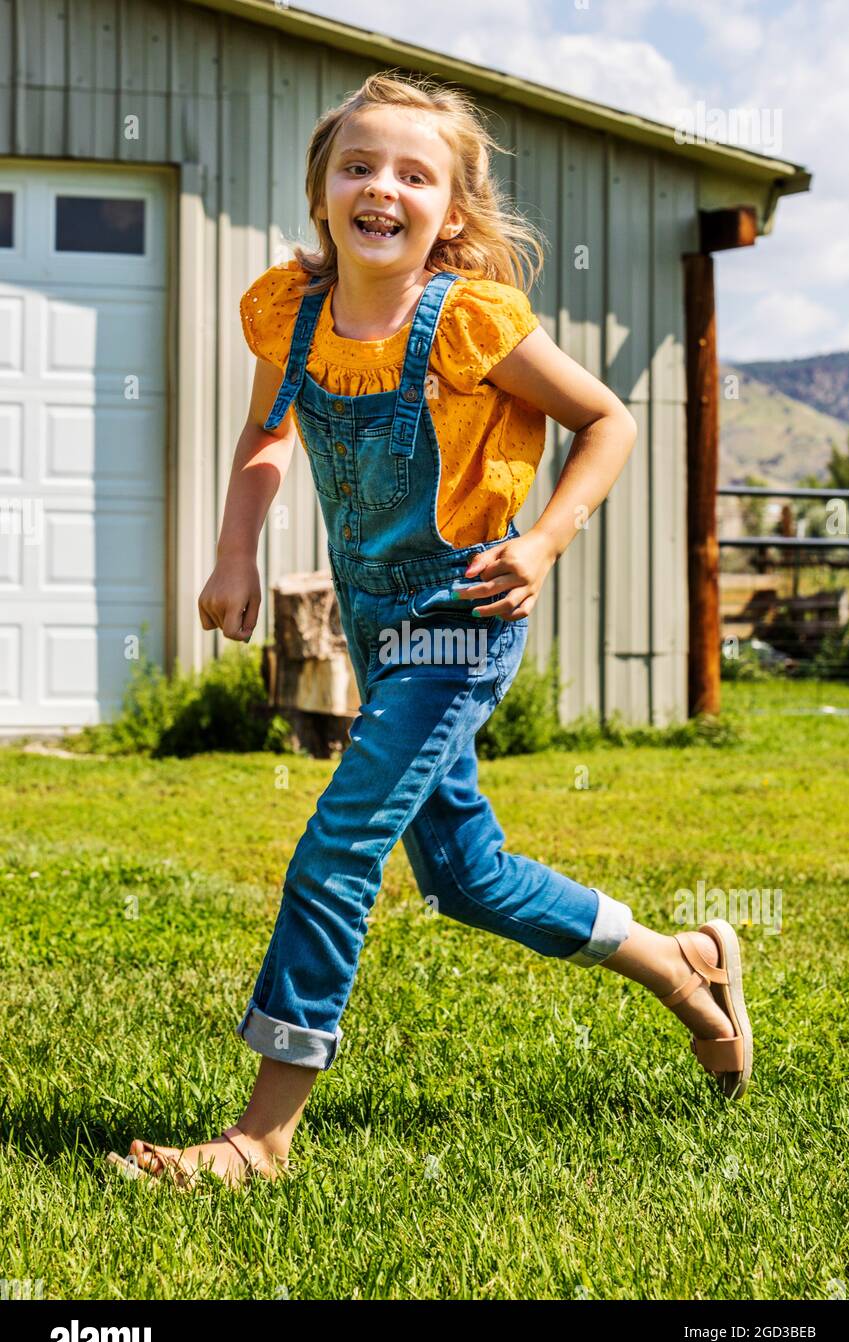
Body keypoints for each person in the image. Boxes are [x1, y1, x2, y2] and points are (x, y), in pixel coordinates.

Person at [109, 72, 751, 1190]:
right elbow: (267, 436)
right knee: (466, 876)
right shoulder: (287, 311)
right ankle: (685, 960)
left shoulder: (469, 322)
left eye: (414, 173)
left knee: (339, 845)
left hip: (462, 617)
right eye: (358, 165)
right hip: (374, 620)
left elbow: (606, 420)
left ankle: (260, 1139)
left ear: (450, 211)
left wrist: (546, 539)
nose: (381, 187)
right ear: (321, 189)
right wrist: (231, 549)